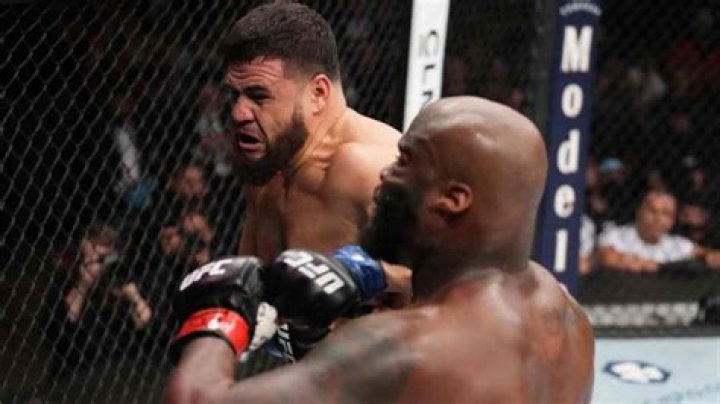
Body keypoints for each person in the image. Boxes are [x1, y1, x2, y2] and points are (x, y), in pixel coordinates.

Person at [165, 96, 596, 403]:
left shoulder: (398, 348)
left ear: (453, 200)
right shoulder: (567, 316)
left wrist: (218, 319)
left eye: (404, 161)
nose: (385, 173)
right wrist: (369, 273)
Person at [220, 2, 409, 296]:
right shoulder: (270, 160)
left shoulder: (372, 167)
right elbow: (252, 286)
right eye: (235, 95)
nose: (238, 113)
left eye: (258, 96)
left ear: (318, 93)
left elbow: (460, 279)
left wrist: (372, 275)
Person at [597, 190, 720, 273]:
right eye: (652, 211)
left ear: (672, 220)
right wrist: (665, 268)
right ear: (639, 212)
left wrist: (707, 257)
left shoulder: (678, 244)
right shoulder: (615, 236)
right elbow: (608, 258)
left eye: (665, 214)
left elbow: (710, 255)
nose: (658, 219)